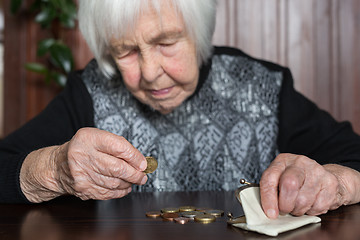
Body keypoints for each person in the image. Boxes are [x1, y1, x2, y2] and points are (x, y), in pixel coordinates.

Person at [1, 0, 360, 220]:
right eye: (125, 51)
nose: (150, 71)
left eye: (166, 42)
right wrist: (53, 169)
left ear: (199, 33)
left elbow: (353, 157)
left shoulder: (261, 85)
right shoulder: (88, 91)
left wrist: (336, 184)